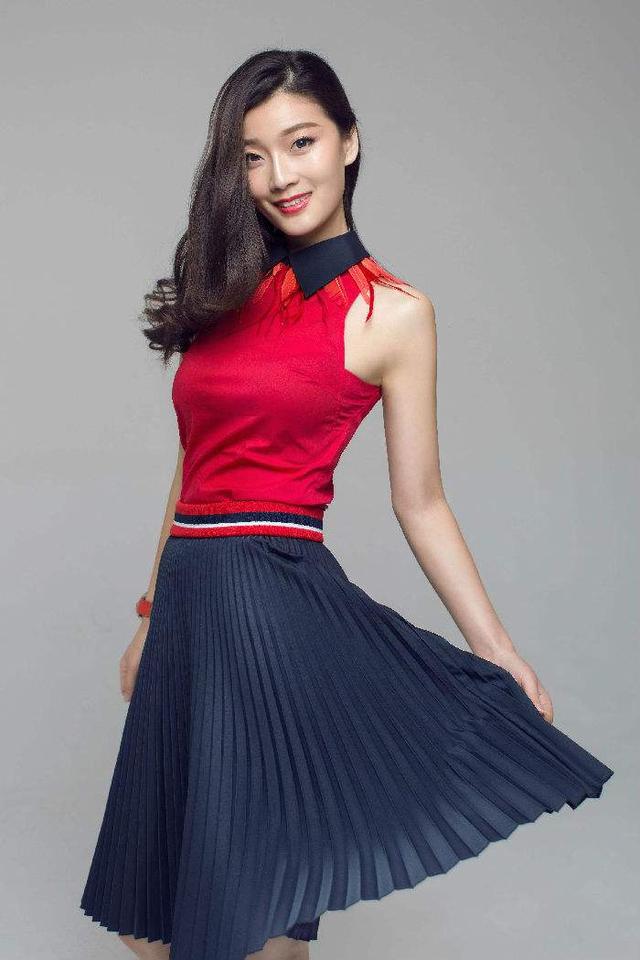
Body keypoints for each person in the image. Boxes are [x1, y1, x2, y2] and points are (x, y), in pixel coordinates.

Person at [79, 49, 614, 960]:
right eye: (253, 156)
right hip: (193, 616)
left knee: (245, 910)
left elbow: (422, 502)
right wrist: (150, 614)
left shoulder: (393, 313)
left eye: (302, 143)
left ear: (348, 142)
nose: (280, 175)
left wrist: (496, 648)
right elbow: (192, 467)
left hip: (274, 615)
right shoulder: (227, 292)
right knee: (154, 921)